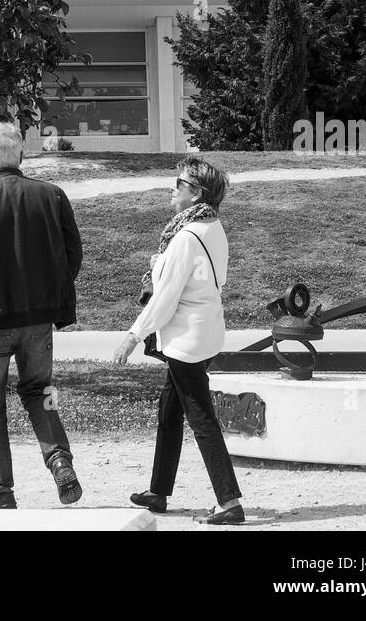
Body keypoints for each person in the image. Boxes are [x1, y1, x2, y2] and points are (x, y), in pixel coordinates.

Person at [113, 157, 245, 525]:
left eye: (178, 183)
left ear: (195, 193)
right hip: (204, 331)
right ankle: (159, 491)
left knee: (201, 419)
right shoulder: (212, 226)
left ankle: (230, 501)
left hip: (187, 339)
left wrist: (132, 337)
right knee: (170, 410)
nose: (173, 190)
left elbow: (165, 297)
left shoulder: (186, 238)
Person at [0, 121, 83, 509]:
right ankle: (59, 459)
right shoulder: (53, 196)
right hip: (38, 319)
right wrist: (50, 292)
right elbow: (72, 255)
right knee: (40, 391)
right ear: (22, 155)